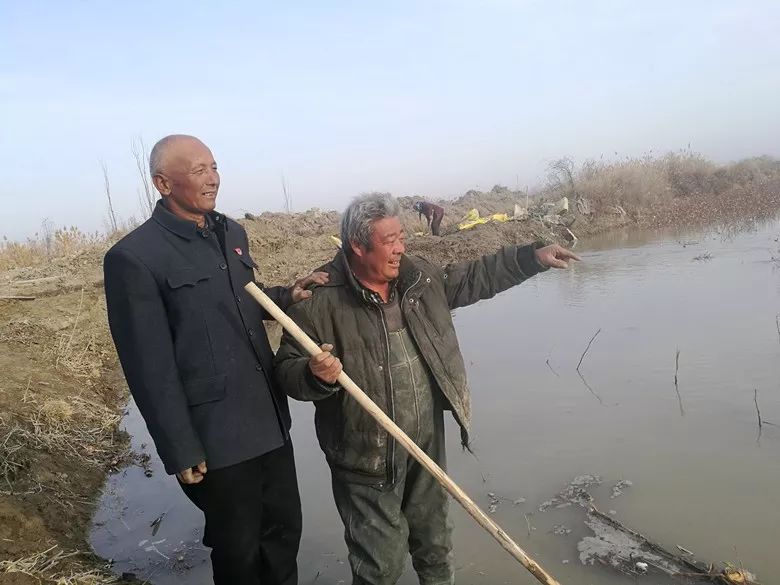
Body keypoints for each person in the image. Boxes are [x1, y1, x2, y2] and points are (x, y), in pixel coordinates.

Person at [275, 192, 579, 585]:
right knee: (379, 566)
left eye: (402, 237)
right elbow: (285, 369)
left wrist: (531, 259)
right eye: (390, 241)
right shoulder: (318, 298)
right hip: (365, 456)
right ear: (356, 245)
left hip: (425, 445)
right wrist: (314, 374)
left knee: (436, 550)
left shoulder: (418, 278)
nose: (401, 248)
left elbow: (472, 277)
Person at [104, 134, 326, 585]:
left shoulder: (230, 232)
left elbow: (238, 300)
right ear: (163, 183)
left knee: (285, 532)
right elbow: (148, 367)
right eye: (199, 171)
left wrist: (286, 295)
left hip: (267, 418)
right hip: (216, 439)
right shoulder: (134, 258)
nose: (213, 179)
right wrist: (178, 446)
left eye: (215, 167)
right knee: (239, 548)